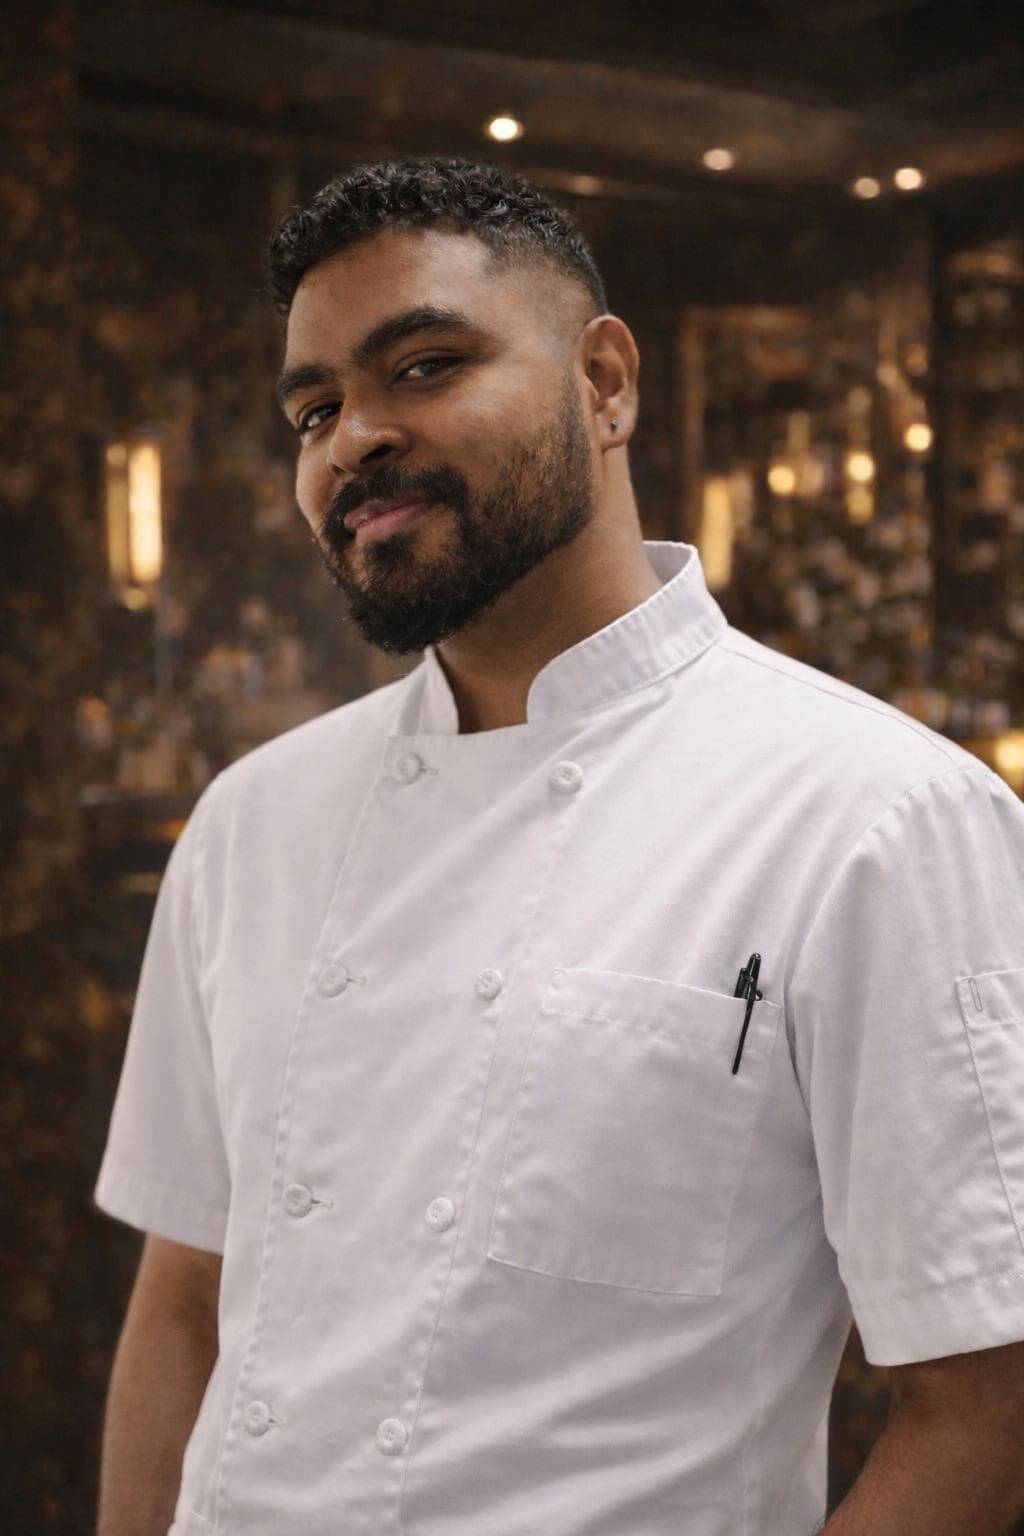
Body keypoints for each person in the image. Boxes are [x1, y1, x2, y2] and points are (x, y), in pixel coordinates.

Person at [94, 157, 1024, 1536]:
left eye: (424, 364)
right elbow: (183, 1299)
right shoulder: (252, 823)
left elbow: (986, 1396)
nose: (353, 436)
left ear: (605, 384)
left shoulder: (878, 817)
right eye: (315, 407)